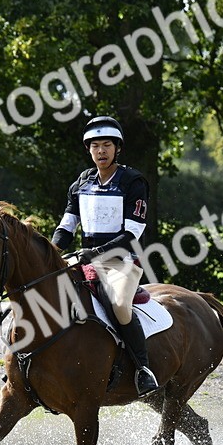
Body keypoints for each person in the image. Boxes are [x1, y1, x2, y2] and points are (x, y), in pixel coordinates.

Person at [52, 115, 160, 396]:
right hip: (85, 259)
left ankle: (143, 369)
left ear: (117, 148)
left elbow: (131, 235)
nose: (101, 151)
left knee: (119, 305)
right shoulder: (81, 183)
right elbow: (67, 225)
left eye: (107, 146)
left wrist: (96, 253)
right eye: (95, 146)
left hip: (120, 262)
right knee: (46, 293)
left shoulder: (133, 182)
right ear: (88, 149)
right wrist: (52, 252)